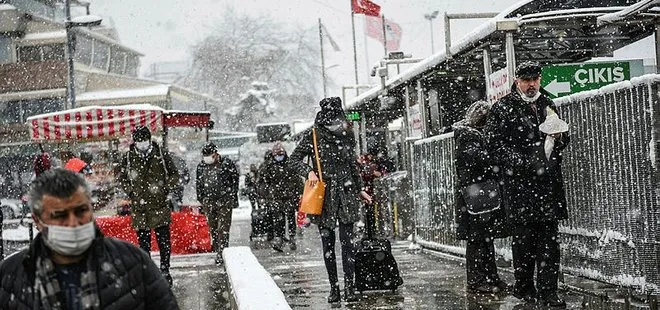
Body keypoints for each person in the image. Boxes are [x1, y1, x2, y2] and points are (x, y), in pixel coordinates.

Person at [0, 168, 179, 309]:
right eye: (60, 215)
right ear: (37, 220)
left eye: (81, 211)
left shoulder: (134, 263)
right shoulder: (10, 277)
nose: (73, 223)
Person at [485, 61, 570, 307]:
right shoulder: (503, 108)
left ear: (540, 79)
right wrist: (523, 163)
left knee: (549, 243)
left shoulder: (547, 103)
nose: (531, 84)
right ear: (517, 81)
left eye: (535, 79)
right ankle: (524, 285)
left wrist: (561, 137)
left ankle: (548, 291)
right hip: (521, 188)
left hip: (548, 186)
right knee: (524, 243)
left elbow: (562, 136)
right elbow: (494, 146)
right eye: (526, 80)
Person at [289, 97, 372, 304]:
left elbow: (352, 164)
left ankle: (349, 287)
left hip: (346, 193)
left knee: (347, 243)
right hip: (324, 196)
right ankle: (335, 288)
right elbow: (294, 159)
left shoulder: (346, 134)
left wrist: (360, 187)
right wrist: (309, 172)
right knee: (329, 244)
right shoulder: (314, 135)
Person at [454, 100, 509, 294]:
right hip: (477, 194)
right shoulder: (470, 137)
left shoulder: (470, 135)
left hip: (477, 193)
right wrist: (495, 157)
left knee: (484, 238)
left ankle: (488, 277)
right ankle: (479, 279)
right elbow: (476, 160)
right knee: (479, 239)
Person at [117, 126, 180, 286]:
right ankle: (149, 273)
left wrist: (166, 187)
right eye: (138, 140)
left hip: (159, 204)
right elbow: (122, 177)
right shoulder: (129, 157)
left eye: (144, 140)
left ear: (149, 139)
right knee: (143, 245)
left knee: (163, 242)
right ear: (134, 141)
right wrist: (131, 192)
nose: (142, 143)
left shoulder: (160, 153)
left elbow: (174, 173)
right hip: (140, 208)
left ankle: (165, 270)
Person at [195, 142, 239, 265]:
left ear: (215, 154)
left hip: (224, 200)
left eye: (209, 155)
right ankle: (217, 246)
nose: (207, 158)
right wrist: (202, 199)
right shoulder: (201, 167)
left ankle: (222, 251)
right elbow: (199, 184)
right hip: (209, 201)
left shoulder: (227, 164)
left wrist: (232, 197)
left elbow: (234, 181)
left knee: (223, 228)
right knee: (213, 227)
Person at [258, 141, 303, 251]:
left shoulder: (290, 165)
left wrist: (299, 193)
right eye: (277, 155)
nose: (279, 157)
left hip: (289, 196)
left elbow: (297, 180)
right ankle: (280, 238)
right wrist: (266, 194)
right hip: (276, 197)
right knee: (278, 220)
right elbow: (263, 182)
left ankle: (292, 237)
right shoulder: (269, 167)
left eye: (281, 154)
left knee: (290, 218)